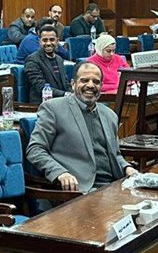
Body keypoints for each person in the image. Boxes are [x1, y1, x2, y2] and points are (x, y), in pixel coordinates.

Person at [27, 61, 139, 192]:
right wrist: (59, 173)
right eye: (84, 80)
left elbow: (115, 155)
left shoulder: (109, 115)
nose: (90, 85)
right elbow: (35, 149)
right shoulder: (53, 109)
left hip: (114, 185)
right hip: (81, 189)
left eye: (96, 82)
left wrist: (127, 168)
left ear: (101, 86)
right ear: (73, 84)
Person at [24, 23, 71, 101]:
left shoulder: (59, 59)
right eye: (45, 40)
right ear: (39, 41)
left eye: (52, 40)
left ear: (57, 41)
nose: (48, 43)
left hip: (61, 101)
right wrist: (65, 94)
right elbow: (40, 87)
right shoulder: (32, 59)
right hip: (42, 103)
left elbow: (65, 83)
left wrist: (74, 93)